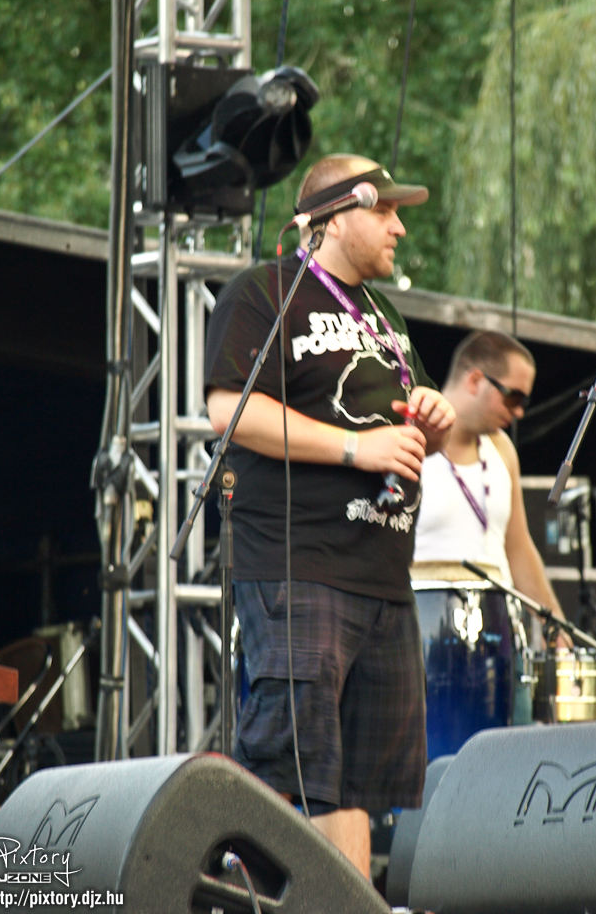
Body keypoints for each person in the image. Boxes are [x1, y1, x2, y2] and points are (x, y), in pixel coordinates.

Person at [203, 153, 455, 878]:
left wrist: (434, 421)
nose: (400, 228)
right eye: (386, 211)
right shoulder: (265, 292)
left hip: (382, 576)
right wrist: (356, 447)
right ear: (335, 217)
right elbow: (230, 409)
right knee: (289, 767)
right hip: (299, 565)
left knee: (355, 789)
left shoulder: (385, 316)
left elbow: (413, 436)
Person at [413, 330, 571, 725]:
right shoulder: (411, 439)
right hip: (424, 637)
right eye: (513, 397)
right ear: (475, 380)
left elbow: (518, 547)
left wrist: (554, 623)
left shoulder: (502, 450)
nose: (519, 413)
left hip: (500, 639)